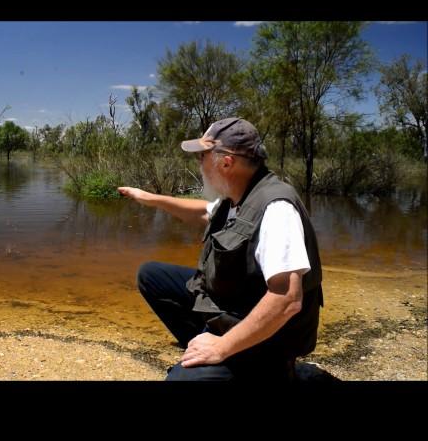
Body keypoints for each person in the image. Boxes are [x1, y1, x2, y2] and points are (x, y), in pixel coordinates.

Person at [118, 117, 323, 381]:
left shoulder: (276, 208)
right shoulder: (238, 195)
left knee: (180, 381)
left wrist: (220, 348)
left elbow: (286, 300)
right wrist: (149, 198)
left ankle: (258, 367)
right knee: (152, 275)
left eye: (201, 156)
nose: (198, 164)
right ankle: (207, 345)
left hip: (272, 339)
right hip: (240, 307)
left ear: (226, 162)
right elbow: (203, 212)